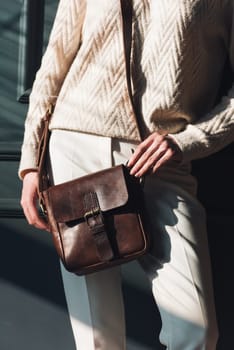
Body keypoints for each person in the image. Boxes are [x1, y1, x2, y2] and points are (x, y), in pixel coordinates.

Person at [19, 0, 234, 349]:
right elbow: (55, 61)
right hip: (78, 146)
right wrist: (31, 164)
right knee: (96, 337)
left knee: (196, 332)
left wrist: (189, 141)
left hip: (163, 161)